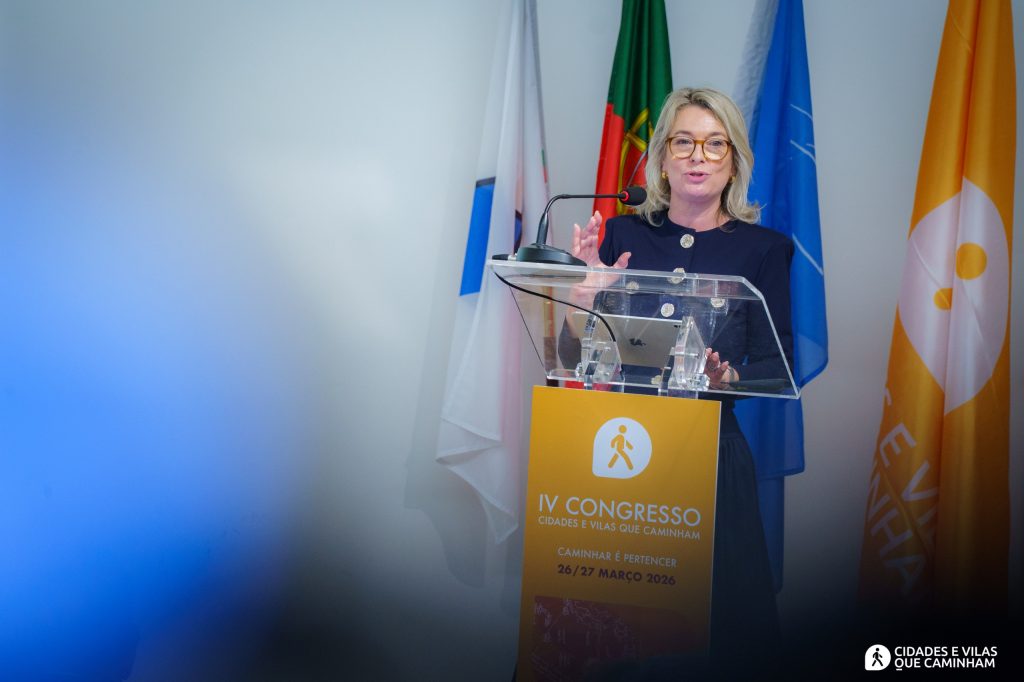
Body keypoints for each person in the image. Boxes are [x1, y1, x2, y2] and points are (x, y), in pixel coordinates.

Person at [568, 86, 794, 675]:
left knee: (714, 641)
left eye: (715, 144)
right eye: (684, 142)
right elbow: (570, 353)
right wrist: (581, 301)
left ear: (734, 162)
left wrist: (729, 375)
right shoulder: (621, 236)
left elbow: (780, 365)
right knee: (612, 627)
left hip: (711, 458)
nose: (698, 156)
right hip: (618, 456)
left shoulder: (764, 249)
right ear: (662, 159)